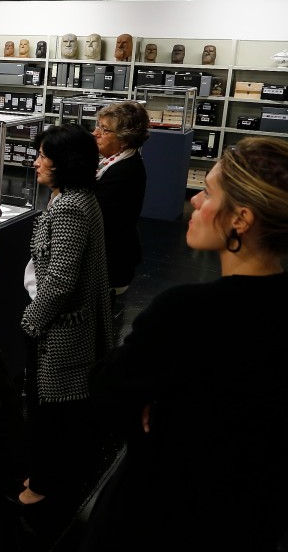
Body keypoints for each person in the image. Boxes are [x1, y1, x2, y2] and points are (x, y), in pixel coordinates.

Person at [87, 137, 288, 551]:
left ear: (241, 219)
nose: (194, 200)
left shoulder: (186, 312)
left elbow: (108, 389)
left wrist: (152, 398)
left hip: (162, 511)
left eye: (209, 193)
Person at [17, 123, 112, 508]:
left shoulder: (70, 206)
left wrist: (32, 322)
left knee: (50, 410)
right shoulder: (78, 198)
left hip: (59, 329)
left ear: (65, 163)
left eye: (44, 156)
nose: (36, 162)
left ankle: (43, 485)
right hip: (65, 323)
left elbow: (59, 281)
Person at [92, 101, 150, 294]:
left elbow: (97, 215)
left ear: (125, 139)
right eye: (98, 126)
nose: (96, 133)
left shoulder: (125, 171)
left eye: (105, 130)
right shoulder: (117, 161)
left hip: (111, 264)